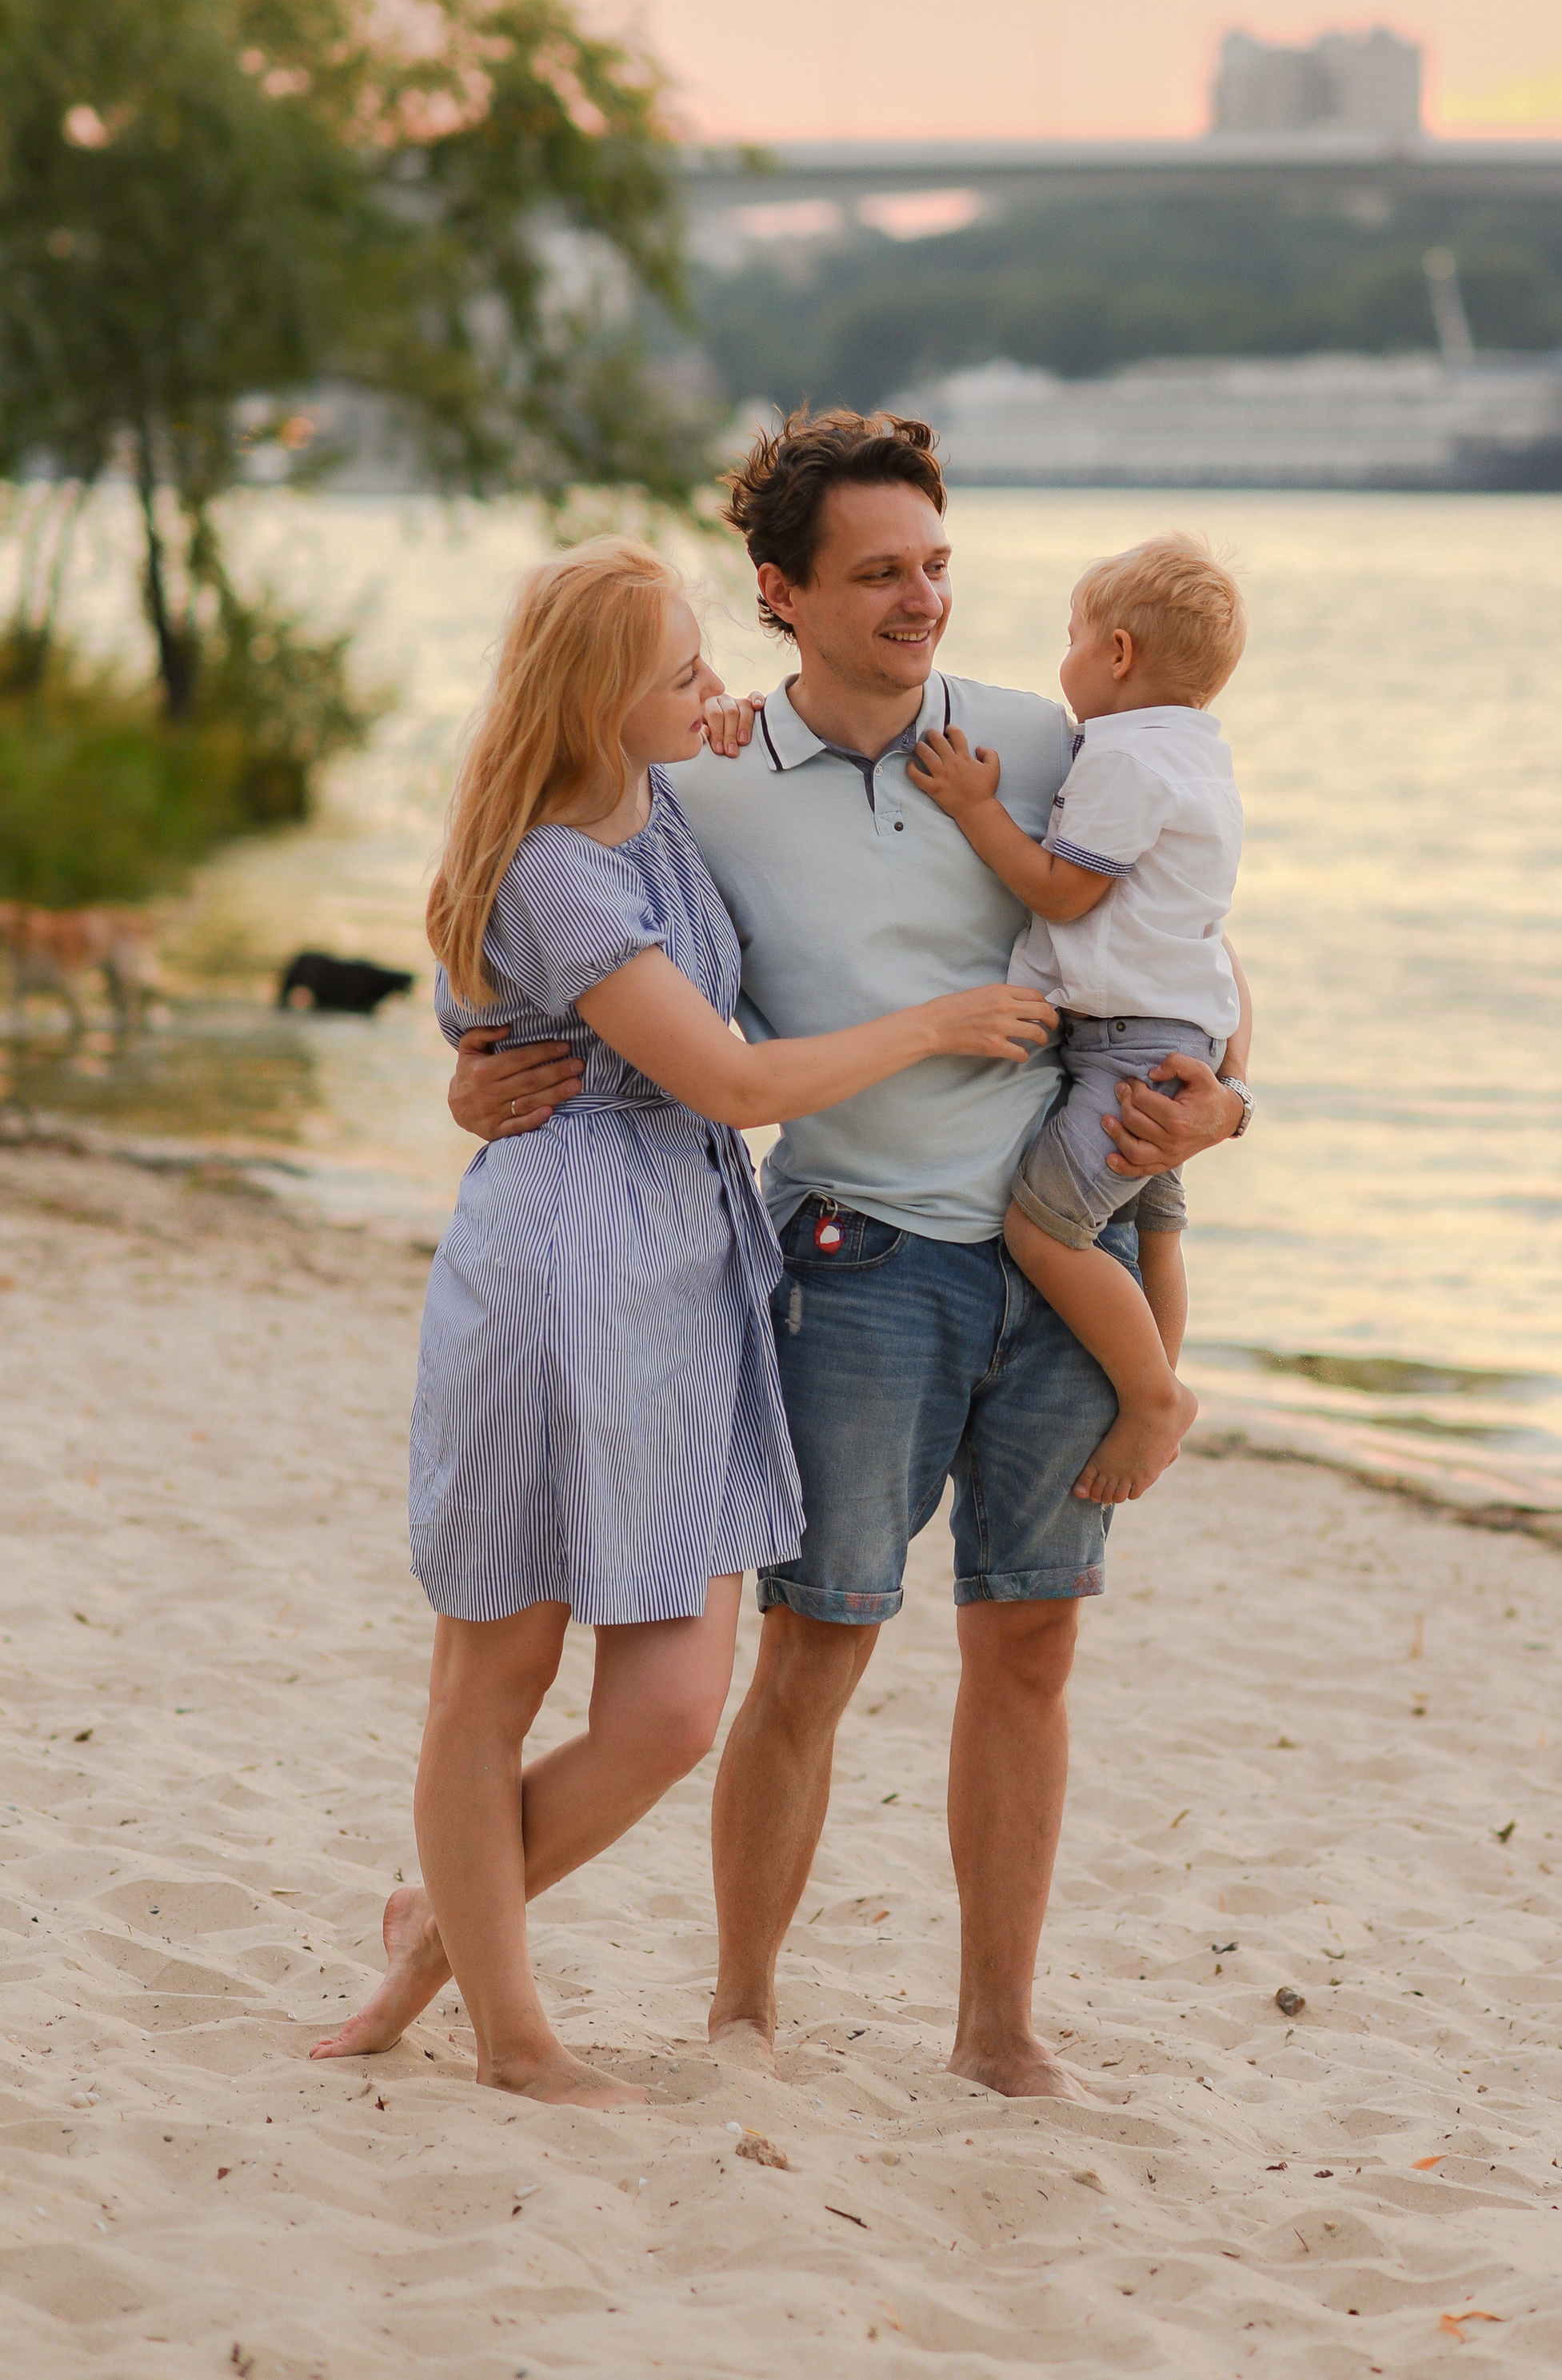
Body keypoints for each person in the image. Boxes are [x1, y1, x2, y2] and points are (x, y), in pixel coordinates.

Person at [445, 412, 1256, 2102]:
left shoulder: (1049, 740)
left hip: (1054, 1250)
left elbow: (1195, 949)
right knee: (819, 1644)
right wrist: (476, 1062)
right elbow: (538, 893)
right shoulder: (701, 774)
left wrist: (1222, 1106)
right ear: (778, 595)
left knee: (1029, 1647)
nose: (920, 602)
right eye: (878, 573)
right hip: (853, 1258)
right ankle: (743, 2008)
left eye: (938, 567)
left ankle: (998, 2030)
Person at [312, 536, 1055, 2108]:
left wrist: (705, 737)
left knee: (664, 1715)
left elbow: (712, 833)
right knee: (493, 1671)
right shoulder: (551, 866)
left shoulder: (651, 801)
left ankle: (434, 1914)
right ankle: (512, 2035)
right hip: (563, 1257)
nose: (715, 695)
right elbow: (722, 1079)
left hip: (688, 1266)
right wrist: (936, 1024)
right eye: (683, 675)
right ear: (598, 700)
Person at [905, 533, 1248, 1505]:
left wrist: (977, 807)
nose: (1064, 661)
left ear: (1119, 654)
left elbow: (1061, 893)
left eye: (1071, 637)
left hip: (1126, 1047)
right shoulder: (1198, 757)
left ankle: (1152, 1398)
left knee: (1043, 1230)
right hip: (1179, 1039)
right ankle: (1154, 1389)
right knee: (1152, 1229)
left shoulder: (1124, 760)